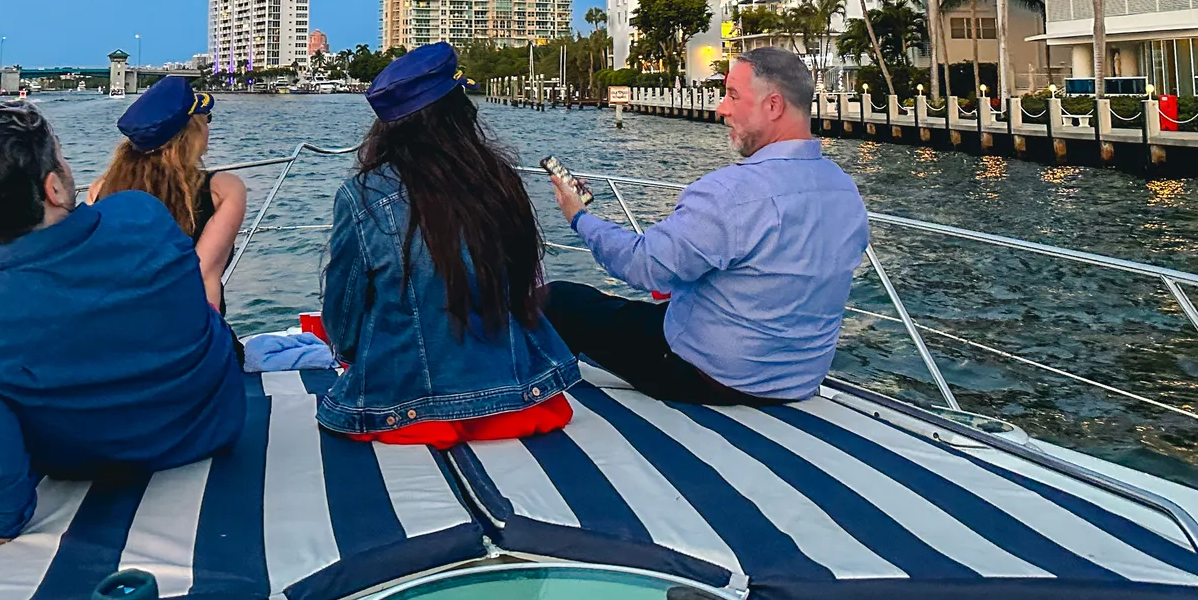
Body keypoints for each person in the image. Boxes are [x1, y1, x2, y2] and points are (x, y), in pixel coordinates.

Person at [0, 101, 244, 544]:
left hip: (91, 464)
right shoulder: (144, 215)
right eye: (62, 157)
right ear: (53, 188)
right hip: (214, 429)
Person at [544, 47, 867, 403]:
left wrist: (580, 217)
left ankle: (544, 403)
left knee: (558, 299)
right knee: (662, 303)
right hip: (797, 380)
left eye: (732, 96)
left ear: (773, 106)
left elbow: (643, 266)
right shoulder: (845, 189)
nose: (721, 108)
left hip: (711, 375)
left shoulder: (730, 192)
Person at [316, 42, 579, 443]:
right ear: (460, 112)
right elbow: (523, 282)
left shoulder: (362, 195)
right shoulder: (500, 180)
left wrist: (353, 356)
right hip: (520, 396)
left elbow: (344, 313)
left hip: (407, 406)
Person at [87, 76, 246, 310]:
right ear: (192, 132)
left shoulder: (101, 189)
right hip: (187, 325)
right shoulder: (224, 190)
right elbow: (203, 278)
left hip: (116, 321)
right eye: (207, 119)